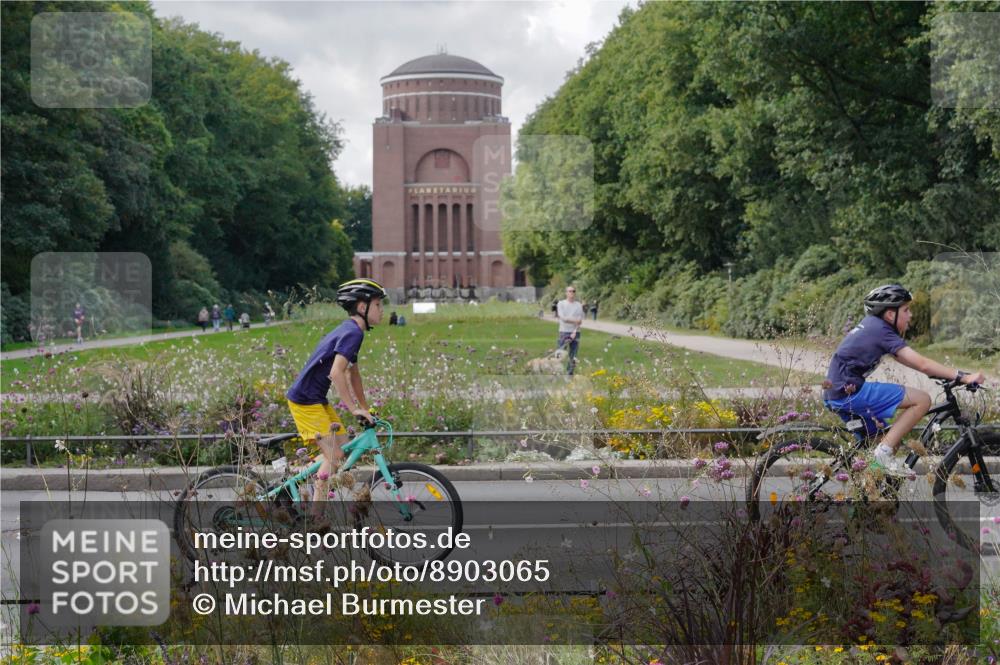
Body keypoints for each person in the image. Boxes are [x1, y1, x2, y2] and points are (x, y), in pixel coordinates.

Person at [823, 284, 987, 475]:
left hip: (837, 393)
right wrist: (963, 376)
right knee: (922, 400)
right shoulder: (881, 330)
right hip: (850, 392)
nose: (910, 315)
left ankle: (870, 491)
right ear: (890, 314)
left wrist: (951, 374)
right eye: (906, 310)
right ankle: (881, 456)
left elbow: (915, 363)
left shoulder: (873, 327)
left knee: (888, 441)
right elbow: (922, 364)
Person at [285, 278, 386, 520]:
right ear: (362, 307)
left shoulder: (352, 330)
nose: (382, 311)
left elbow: (353, 373)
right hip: (305, 400)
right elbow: (336, 372)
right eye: (378, 305)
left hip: (314, 398)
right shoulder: (352, 332)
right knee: (335, 457)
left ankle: (295, 479)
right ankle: (315, 522)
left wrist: (365, 408)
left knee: (340, 452)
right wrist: (353, 409)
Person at [556, 286, 585, 376]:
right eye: (570, 291)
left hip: (576, 332)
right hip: (564, 331)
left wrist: (575, 330)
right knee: (561, 353)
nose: (572, 293)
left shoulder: (578, 305)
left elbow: (580, 319)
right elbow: (563, 318)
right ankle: (557, 372)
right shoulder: (561, 304)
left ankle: (570, 373)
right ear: (566, 293)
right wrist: (575, 321)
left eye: (573, 291)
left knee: (573, 354)